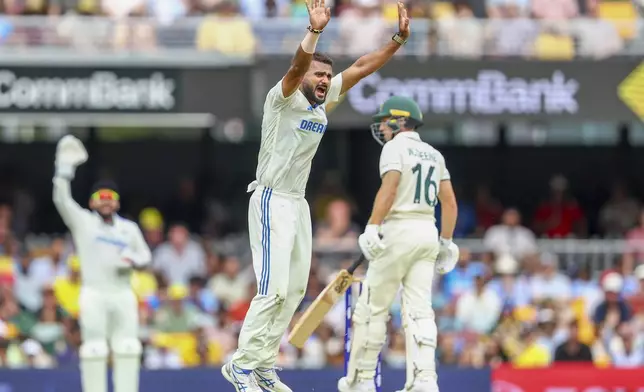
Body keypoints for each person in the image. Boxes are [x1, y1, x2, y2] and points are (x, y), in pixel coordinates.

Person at [221, 0, 412, 391]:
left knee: (292, 293)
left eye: (327, 75)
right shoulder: (283, 98)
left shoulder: (322, 102)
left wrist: (396, 40)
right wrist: (315, 31)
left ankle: (261, 365)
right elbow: (295, 68)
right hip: (271, 198)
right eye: (319, 74)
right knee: (272, 288)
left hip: (298, 203)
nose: (325, 79)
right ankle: (239, 365)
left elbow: (359, 68)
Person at [338, 96, 459, 392]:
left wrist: (372, 226)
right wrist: (446, 241)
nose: (381, 126)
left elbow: (389, 189)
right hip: (427, 232)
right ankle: (424, 380)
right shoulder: (434, 154)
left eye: (384, 120)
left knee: (372, 308)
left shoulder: (395, 147)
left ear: (400, 120)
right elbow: (450, 203)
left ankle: (361, 381)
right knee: (419, 310)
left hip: (399, 231)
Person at [52, 135, 151, 392]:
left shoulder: (128, 229)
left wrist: (133, 261)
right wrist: (64, 171)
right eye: (101, 196)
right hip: (93, 292)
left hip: (122, 293)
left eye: (111, 196)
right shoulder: (83, 223)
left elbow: (145, 257)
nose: (106, 200)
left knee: (128, 347)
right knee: (93, 348)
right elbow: (61, 200)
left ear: (117, 202)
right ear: (92, 202)